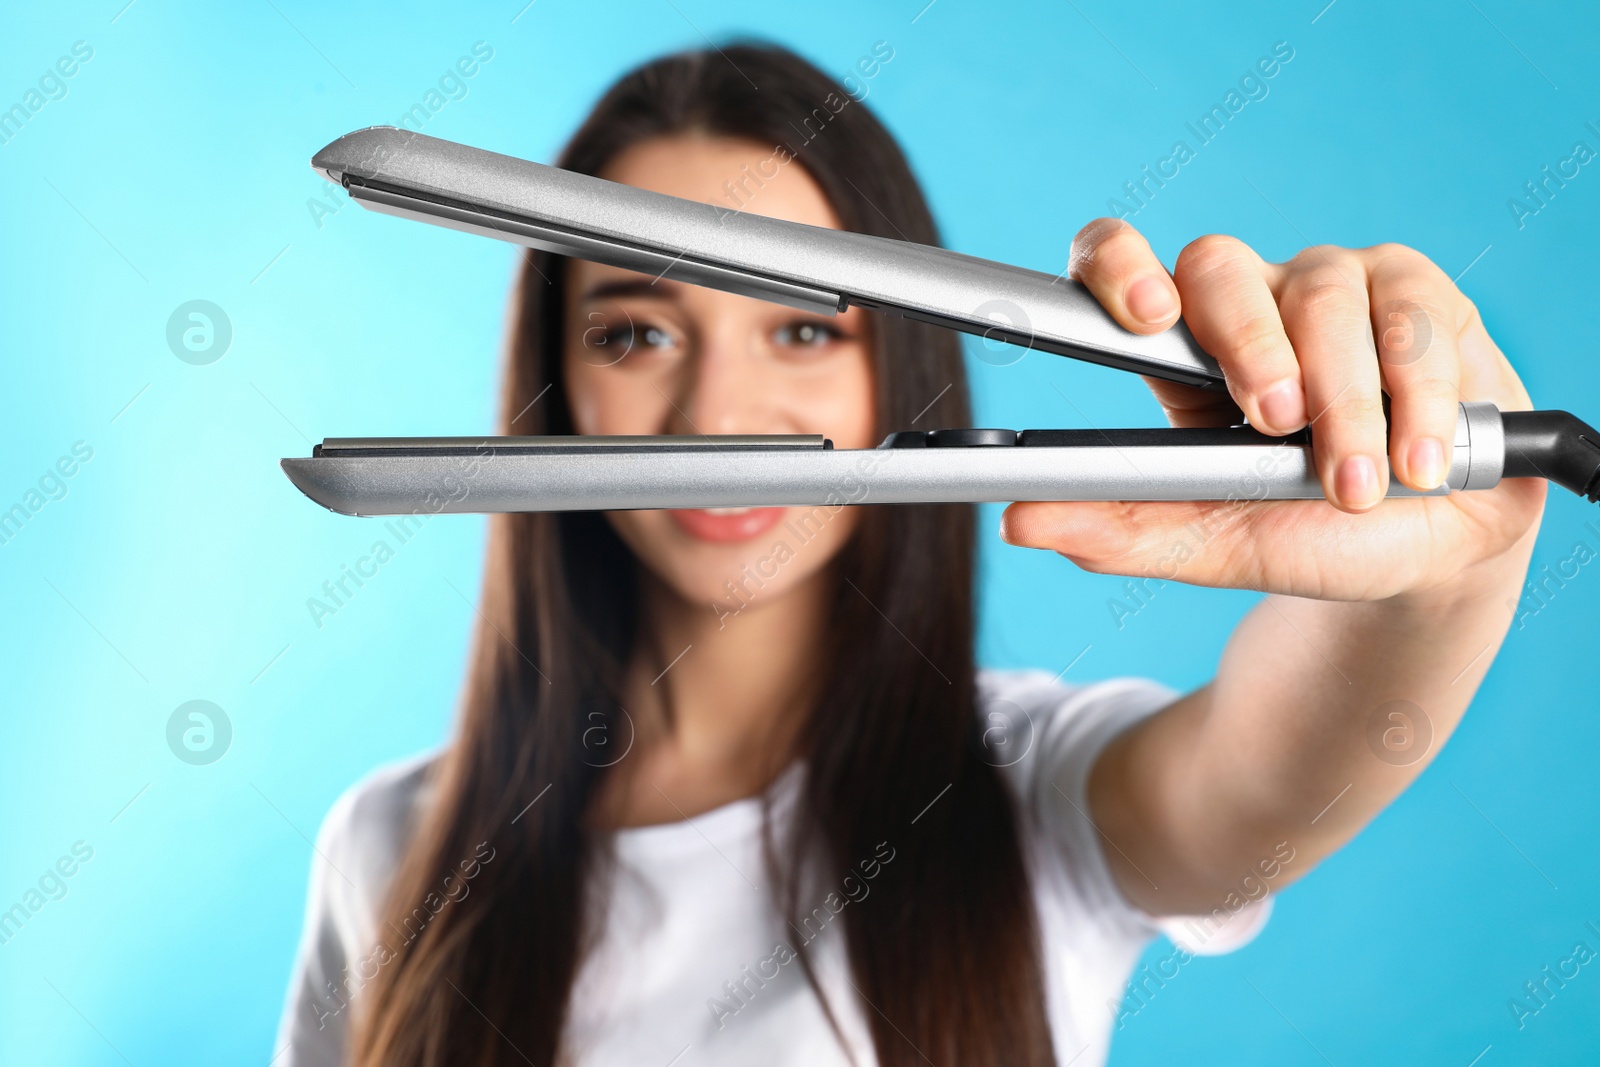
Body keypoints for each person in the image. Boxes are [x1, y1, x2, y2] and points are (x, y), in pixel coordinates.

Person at [275, 42, 1543, 1067]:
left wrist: (1445, 564)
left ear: (903, 364)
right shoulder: (391, 844)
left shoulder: (1031, 789)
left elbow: (1262, 782)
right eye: (634, 335)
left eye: (799, 330)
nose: (716, 412)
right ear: (553, 387)